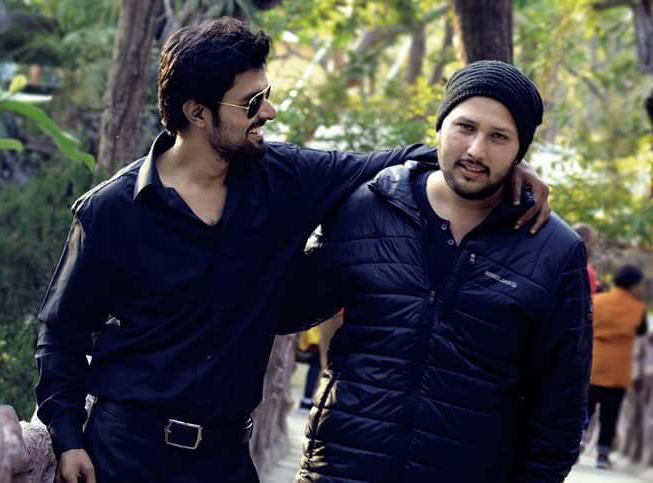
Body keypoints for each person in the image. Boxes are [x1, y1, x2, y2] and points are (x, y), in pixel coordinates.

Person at [35, 18, 551, 483]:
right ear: (197, 112)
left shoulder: (287, 179)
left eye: (266, 94)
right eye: (250, 103)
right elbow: (61, 332)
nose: (269, 111)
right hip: (124, 452)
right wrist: (68, 437)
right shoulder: (111, 211)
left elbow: (394, 160)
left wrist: (500, 165)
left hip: (226, 458)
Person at [281, 60, 592, 483]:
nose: (476, 150)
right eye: (465, 127)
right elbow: (287, 308)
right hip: (340, 470)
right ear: (440, 126)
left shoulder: (554, 250)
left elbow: (560, 407)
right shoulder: (366, 207)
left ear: (521, 150)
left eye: (499, 136)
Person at [586, 265, 648, 469]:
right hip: (618, 368)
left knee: (584, 408)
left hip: (594, 363)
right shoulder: (637, 308)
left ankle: (577, 441)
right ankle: (602, 455)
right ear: (633, 285)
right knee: (610, 414)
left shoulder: (598, 300)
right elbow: (641, 331)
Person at [574, 223, 599, 295]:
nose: (594, 248)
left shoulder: (559, 262)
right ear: (583, 241)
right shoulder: (586, 271)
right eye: (593, 244)